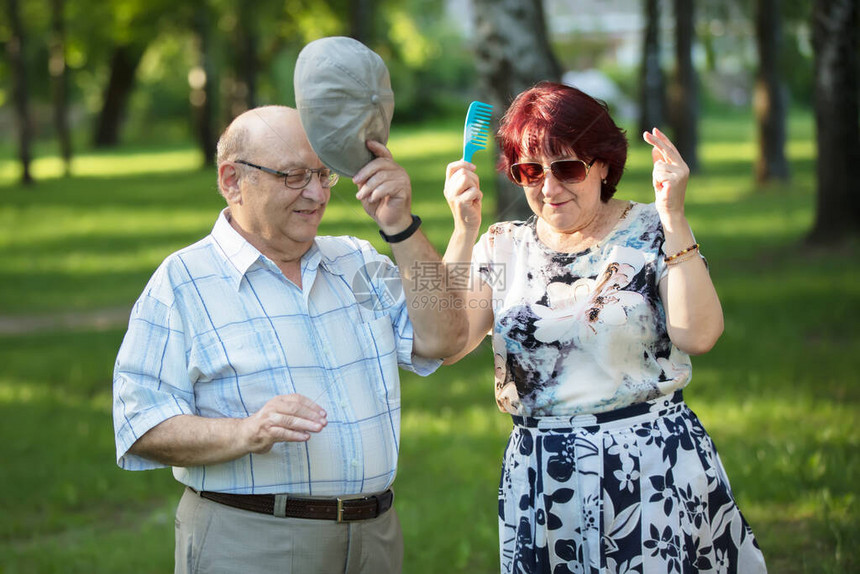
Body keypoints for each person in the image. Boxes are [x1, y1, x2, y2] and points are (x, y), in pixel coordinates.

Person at [112, 105, 466, 574]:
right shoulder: (184, 282)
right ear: (232, 180)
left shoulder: (355, 261)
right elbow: (140, 423)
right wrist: (245, 432)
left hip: (375, 538)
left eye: (323, 174)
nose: (317, 194)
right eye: (295, 176)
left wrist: (400, 226)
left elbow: (444, 337)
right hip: (253, 540)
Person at [442, 82, 767, 573]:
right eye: (529, 171)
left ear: (602, 165)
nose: (548, 188)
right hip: (543, 479)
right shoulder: (501, 244)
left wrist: (674, 215)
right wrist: (462, 232)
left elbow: (698, 336)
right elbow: (444, 342)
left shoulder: (652, 230)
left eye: (567, 167)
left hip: (649, 470)